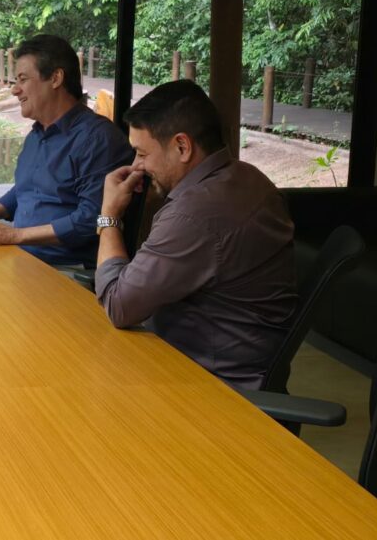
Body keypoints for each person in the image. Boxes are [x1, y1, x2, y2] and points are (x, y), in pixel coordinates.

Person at [95, 80, 297, 390]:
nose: (136, 165)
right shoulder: (248, 177)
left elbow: (118, 305)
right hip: (239, 361)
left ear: (182, 147)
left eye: (141, 153)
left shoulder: (195, 214)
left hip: (210, 385)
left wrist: (109, 216)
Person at [0, 34, 133, 269]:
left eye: (23, 79)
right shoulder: (36, 135)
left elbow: (92, 220)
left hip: (68, 271)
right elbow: (25, 189)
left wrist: (16, 235)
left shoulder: (98, 139)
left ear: (56, 78)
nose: (15, 90)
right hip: (22, 259)